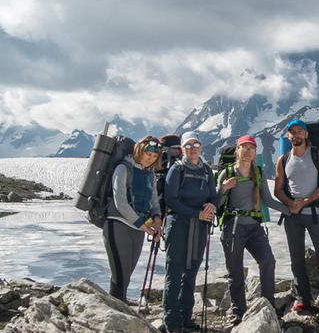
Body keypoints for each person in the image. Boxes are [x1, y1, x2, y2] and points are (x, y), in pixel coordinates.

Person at [217, 135, 290, 326]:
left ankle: (268, 305)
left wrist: (290, 209)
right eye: (244, 147)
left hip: (254, 227)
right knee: (235, 270)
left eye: (252, 148)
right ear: (237, 151)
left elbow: (268, 200)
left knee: (267, 261)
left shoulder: (258, 172)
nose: (248, 151)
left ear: (255, 152)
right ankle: (238, 312)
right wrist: (223, 189)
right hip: (233, 227)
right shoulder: (227, 173)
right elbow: (216, 203)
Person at [274, 119, 319, 318]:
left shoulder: (318, 154)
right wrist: (290, 202)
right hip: (292, 216)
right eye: (292, 132)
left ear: (306, 134)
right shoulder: (283, 160)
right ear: (288, 136)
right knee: (296, 258)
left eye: (299, 131)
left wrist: (304, 201)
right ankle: (303, 298)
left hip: (314, 213)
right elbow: (278, 189)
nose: (296, 135)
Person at [162, 131, 219, 333]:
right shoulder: (177, 170)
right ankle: (172, 321)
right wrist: (198, 214)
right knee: (175, 271)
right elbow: (171, 201)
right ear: (183, 149)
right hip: (179, 225)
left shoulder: (206, 170)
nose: (193, 149)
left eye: (196, 145)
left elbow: (214, 196)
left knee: (191, 271)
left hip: (199, 227)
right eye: (188, 145)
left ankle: (186, 316)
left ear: (201, 147)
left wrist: (212, 206)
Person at [103, 136, 164, 302]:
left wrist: (157, 221)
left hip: (138, 229)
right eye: (148, 154)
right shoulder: (123, 168)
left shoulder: (149, 174)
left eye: (154, 157)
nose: (150, 159)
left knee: (126, 274)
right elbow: (120, 202)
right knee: (120, 276)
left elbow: (153, 201)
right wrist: (145, 227)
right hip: (118, 225)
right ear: (139, 151)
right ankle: (116, 313)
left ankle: (117, 306)